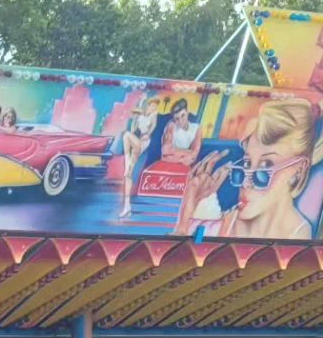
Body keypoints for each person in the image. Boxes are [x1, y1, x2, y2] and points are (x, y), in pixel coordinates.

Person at [176, 97, 319, 242]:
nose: (245, 183)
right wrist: (189, 207)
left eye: (265, 166)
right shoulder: (217, 225)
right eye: (247, 164)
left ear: (298, 170)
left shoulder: (300, 238)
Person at [119, 97, 160, 218]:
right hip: (136, 142)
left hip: (144, 141)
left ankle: (127, 159)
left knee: (126, 135)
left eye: (155, 106)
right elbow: (133, 130)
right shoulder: (141, 116)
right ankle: (127, 207)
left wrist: (148, 134)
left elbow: (152, 127)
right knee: (128, 175)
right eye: (152, 105)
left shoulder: (154, 115)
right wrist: (135, 119)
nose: (153, 108)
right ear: (148, 106)